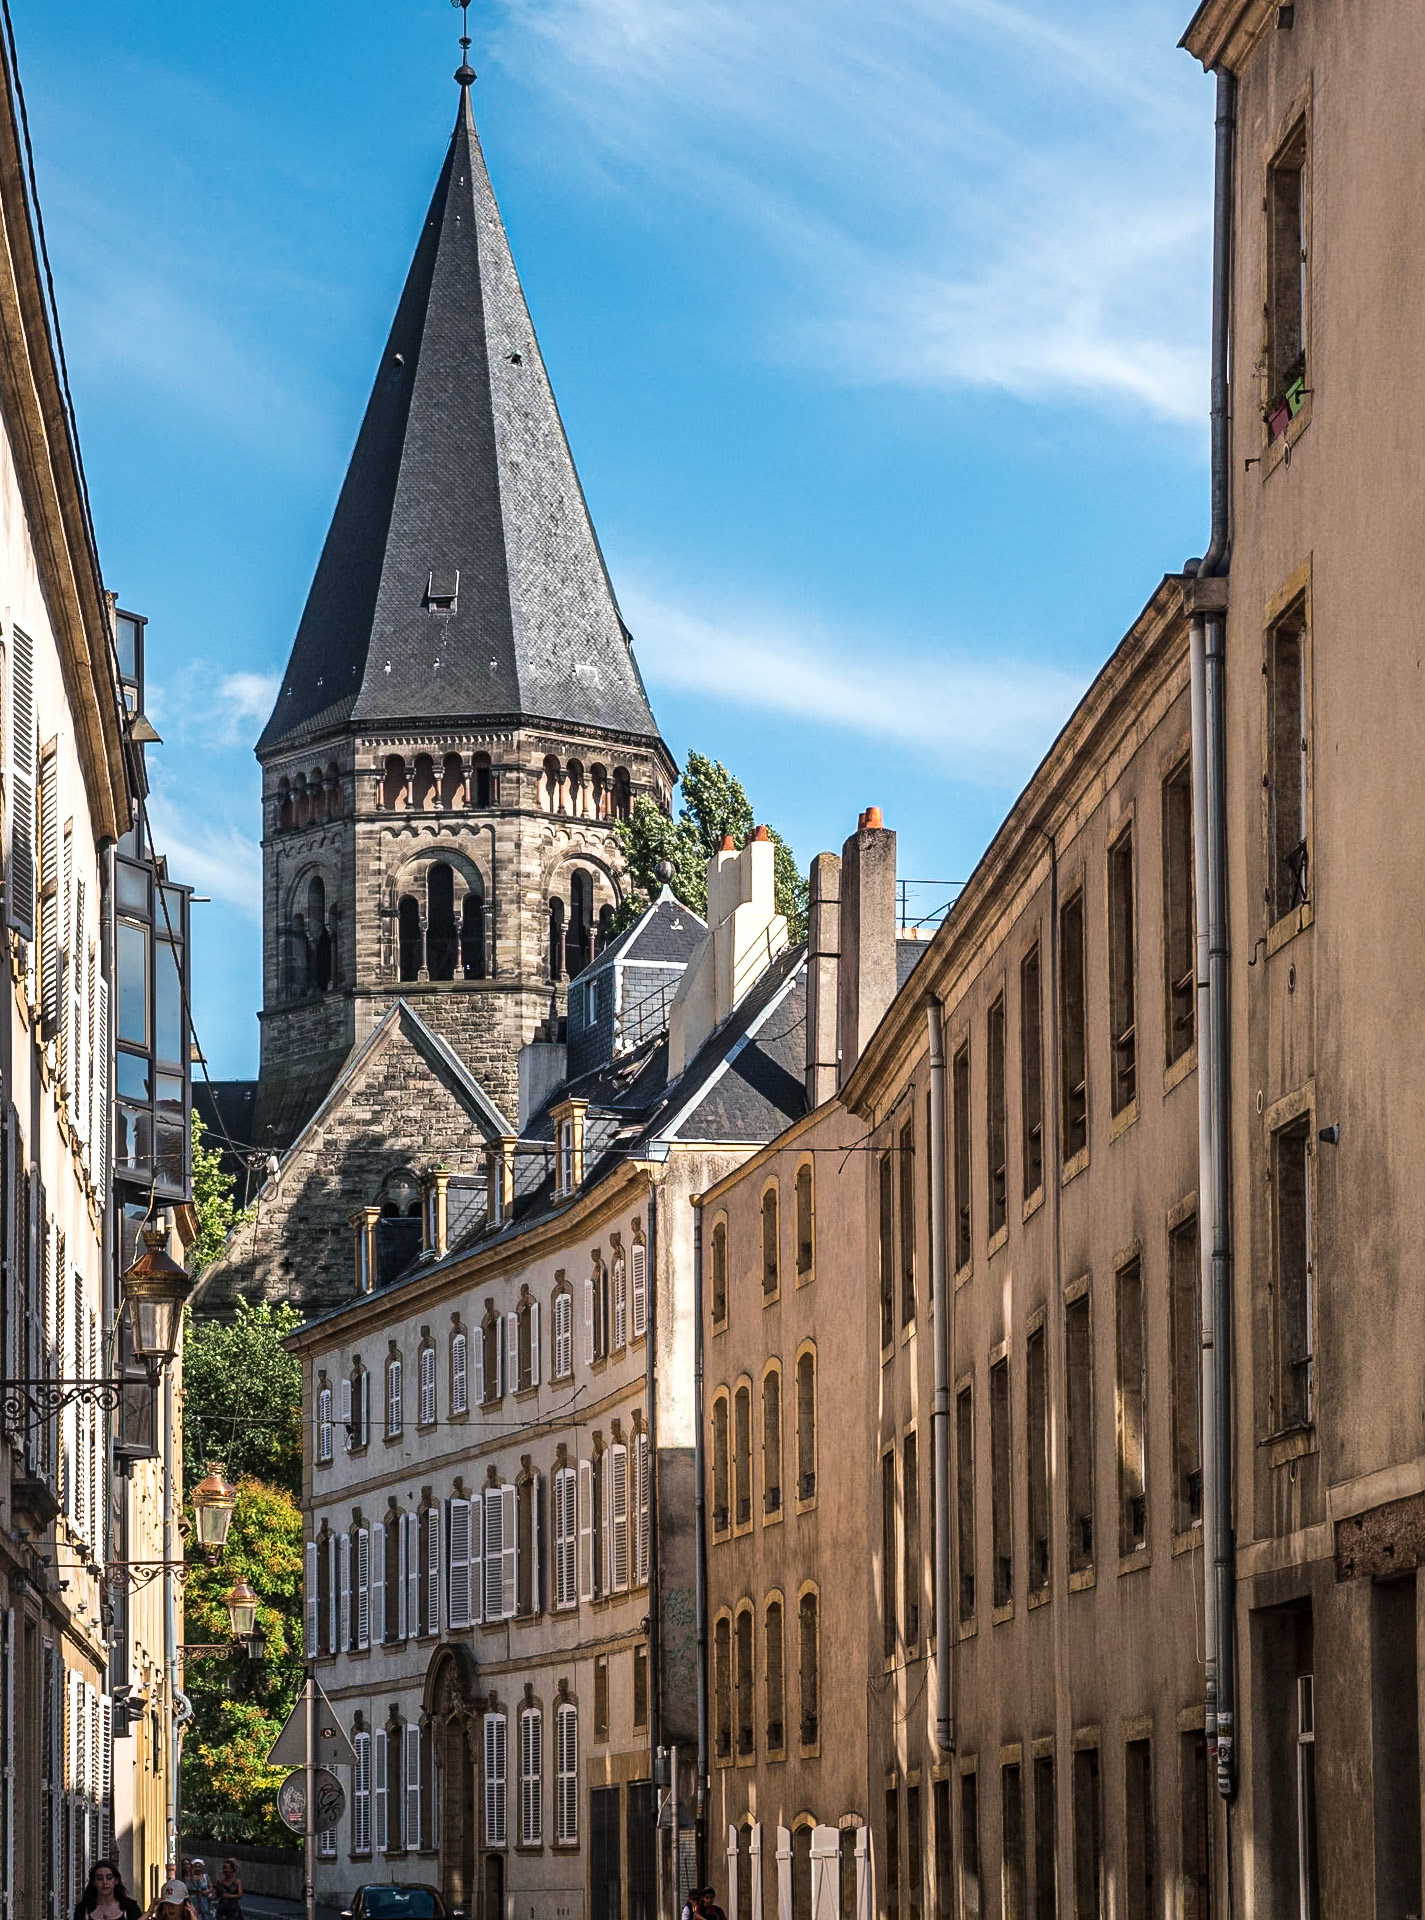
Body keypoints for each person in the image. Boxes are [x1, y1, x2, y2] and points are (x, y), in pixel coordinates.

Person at [74, 1860, 142, 1920]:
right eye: (99, 1878)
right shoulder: (83, 1909)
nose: (105, 1882)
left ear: (116, 1881)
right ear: (94, 1882)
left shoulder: (130, 1908)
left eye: (109, 1878)